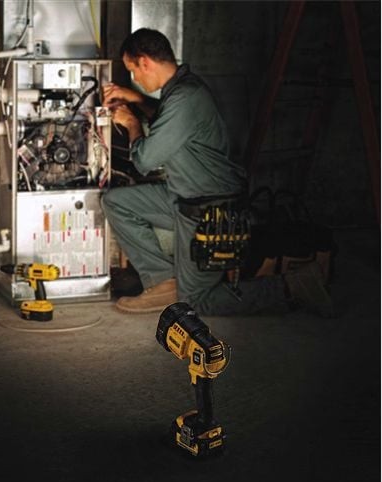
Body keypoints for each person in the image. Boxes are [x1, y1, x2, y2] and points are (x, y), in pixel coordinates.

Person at [101, 28, 333, 317]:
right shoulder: (183, 88)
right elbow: (166, 117)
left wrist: (132, 124)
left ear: (145, 62)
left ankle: (292, 287)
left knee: (199, 301)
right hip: (182, 197)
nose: (135, 78)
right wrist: (136, 98)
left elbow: (144, 160)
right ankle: (164, 282)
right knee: (117, 202)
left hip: (209, 209)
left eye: (133, 70)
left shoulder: (185, 97)